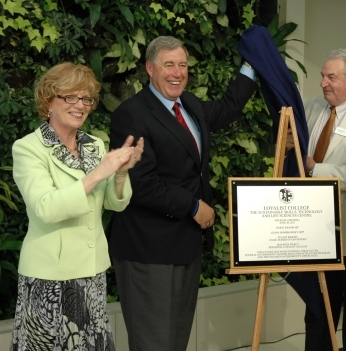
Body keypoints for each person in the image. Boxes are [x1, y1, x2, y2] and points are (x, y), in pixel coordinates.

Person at [108, 36, 257, 351]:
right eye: (169, 65)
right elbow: (141, 182)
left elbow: (227, 109)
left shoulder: (189, 104)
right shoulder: (131, 114)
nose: (177, 72)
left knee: (175, 340)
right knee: (154, 343)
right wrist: (192, 207)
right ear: (150, 68)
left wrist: (252, 65)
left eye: (183, 65)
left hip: (184, 246)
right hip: (148, 248)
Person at [10, 62, 144, 350]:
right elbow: (45, 207)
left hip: (91, 274)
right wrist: (99, 172)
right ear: (48, 101)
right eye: (70, 96)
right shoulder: (28, 148)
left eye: (86, 98)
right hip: (49, 279)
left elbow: (113, 202)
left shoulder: (94, 145)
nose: (80, 105)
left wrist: (121, 171)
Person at [285, 48, 346, 351]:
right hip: (314, 234)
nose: (323, 83)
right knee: (317, 312)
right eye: (322, 76)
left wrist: (317, 169)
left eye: (331, 77)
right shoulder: (312, 107)